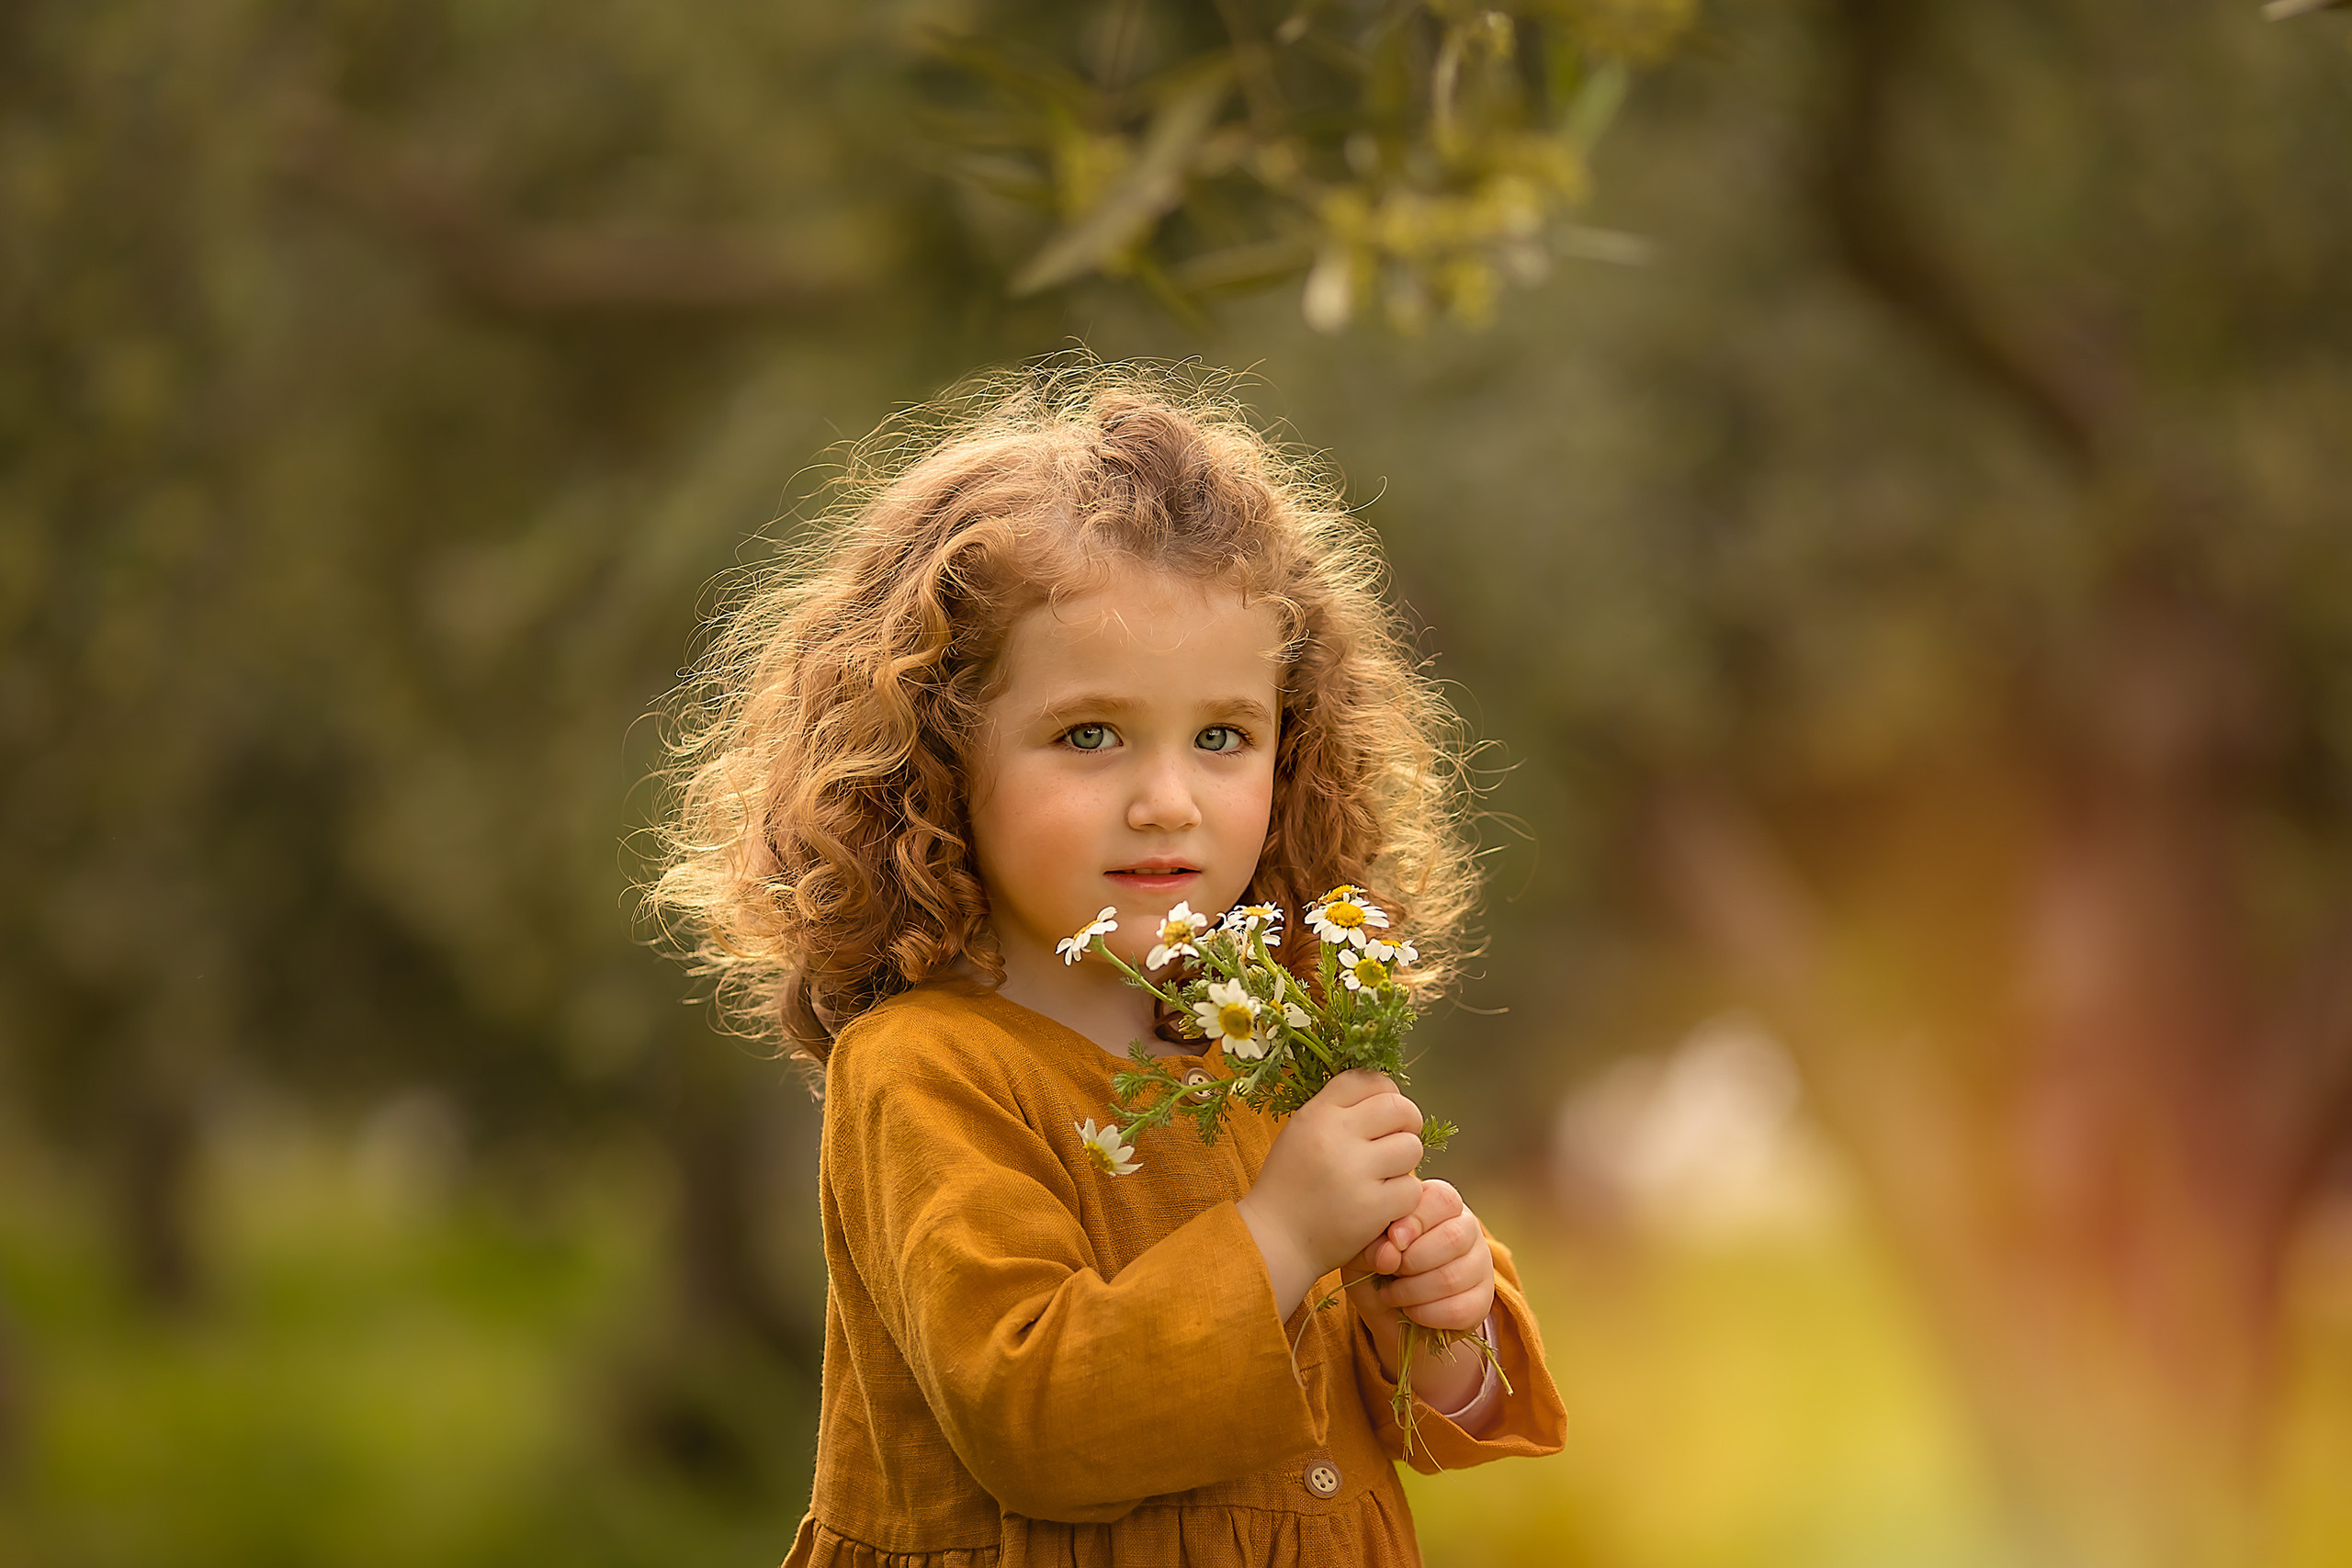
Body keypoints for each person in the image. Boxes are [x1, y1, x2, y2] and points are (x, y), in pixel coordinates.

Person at [650, 365, 1566, 1566]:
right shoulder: (926, 1071)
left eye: (1223, 737)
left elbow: (1382, 1431)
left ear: (1290, 755)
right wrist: (1283, 1235)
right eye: (1090, 735)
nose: (1168, 801)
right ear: (936, 760)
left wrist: (1435, 1325)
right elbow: (1034, 1419)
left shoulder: (1269, 1048)